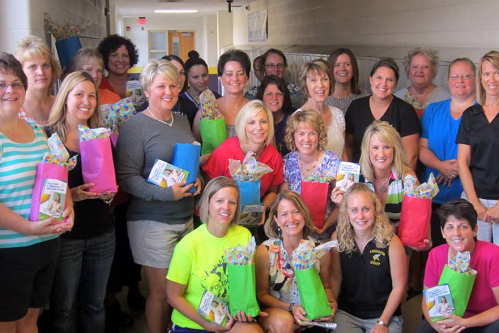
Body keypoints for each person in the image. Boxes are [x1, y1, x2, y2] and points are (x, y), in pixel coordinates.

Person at [116, 59, 202, 333]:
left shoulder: (182, 121)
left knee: (181, 290)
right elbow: (126, 180)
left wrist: (196, 180)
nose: (168, 91)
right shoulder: (134, 126)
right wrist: (167, 194)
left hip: (185, 217)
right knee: (161, 293)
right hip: (151, 221)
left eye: (173, 85)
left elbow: (185, 166)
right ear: (147, 90)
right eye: (161, 86)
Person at [0, 52, 73, 332]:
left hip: (45, 245)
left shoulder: (34, 128)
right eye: (2, 84)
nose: (10, 91)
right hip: (9, 251)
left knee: (31, 322)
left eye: (16, 83)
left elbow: (56, 172)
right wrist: (28, 228)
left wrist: (68, 208)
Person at [45, 71, 116, 332]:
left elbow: (112, 184)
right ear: (65, 97)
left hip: (102, 233)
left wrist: (110, 195)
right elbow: (41, 191)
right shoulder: (48, 138)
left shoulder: (101, 136)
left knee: (95, 305)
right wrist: (71, 196)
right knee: (64, 307)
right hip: (66, 237)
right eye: (79, 95)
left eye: (91, 96)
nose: (86, 101)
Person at [166, 176, 263, 333]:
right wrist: (207, 325)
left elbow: (246, 283)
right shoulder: (188, 245)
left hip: (231, 319)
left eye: (232, 202)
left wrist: (247, 309)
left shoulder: (244, 236)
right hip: (194, 324)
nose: (226, 207)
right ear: (208, 204)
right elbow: (173, 296)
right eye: (219, 201)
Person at [331, 183, 407, 333]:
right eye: (354, 210)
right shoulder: (337, 239)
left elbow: (399, 287)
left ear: (376, 210)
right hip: (348, 313)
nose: (360, 216)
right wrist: (330, 307)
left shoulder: (392, 242)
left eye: (366, 209)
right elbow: (335, 278)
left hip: (384, 314)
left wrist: (382, 322)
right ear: (346, 212)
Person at [255, 190, 335, 332]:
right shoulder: (265, 251)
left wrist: (331, 303)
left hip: (311, 313)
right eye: (284, 214)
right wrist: (292, 308)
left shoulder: (319, 251)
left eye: (296, 212)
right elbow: (261, 295)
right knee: (284, 321)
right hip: (278, 313)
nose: (291, 219)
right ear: (276, 220)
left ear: (304, 214)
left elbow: (326, 287)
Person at [415, 199, 499, 333]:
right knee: (424, 329)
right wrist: (437, 326)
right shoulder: (435, 255)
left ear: (475, 230)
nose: (456, 233)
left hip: (485, 321)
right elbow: (427, 300)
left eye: (463, 226)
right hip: (450, 320)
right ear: (442, 232)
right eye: (450, 227)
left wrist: (465, 323)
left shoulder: (493, 254)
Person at [420, 58, 476, 247]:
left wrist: (460, 167)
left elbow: (489, 153)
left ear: (475, 79)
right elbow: (421, 149)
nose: (460, 80)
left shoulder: (483, 112)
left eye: (466, 76)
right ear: (447, 79)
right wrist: (441, 166)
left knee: (467, 255)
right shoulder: (434, 110)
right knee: (436, 252)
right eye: (455, 76)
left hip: (469, 197)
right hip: (434, 196)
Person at [202, 100, 284, 221]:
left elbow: (273, 192)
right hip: (220, 219)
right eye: (251, 122)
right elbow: (208, 191)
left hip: (254, 220)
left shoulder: (274, 156)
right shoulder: (224, 152)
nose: (259, 128)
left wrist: (263, 206)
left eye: (263, 122)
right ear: (243, 125)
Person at [345, 58, 420, 170]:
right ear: (371, 79)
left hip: (392, 179)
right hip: (359, 176)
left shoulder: (405, 111)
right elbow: (348, 146)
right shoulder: (356, 107)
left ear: (395, 83)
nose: (383, 84)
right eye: (379, 78)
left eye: (389, 79)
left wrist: (400, 183)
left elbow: (411, 156)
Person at [457, 50, 499, 246]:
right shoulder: (470, 115)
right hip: (475, 198)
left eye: (497, 72)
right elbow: (463, 162)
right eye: (487, 73)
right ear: (480, 77)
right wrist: (475, 204)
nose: (492, 79)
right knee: (474, 262)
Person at [282, 109, 340, 237]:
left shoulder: (333, 162)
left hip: (325, 233)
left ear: (319, 136)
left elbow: (341, 206)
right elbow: (282, 202)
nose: (306, 139)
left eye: (312, 133)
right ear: (293, 136)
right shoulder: (287, 162)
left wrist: (324, 228)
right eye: (301, 133)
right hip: (293, 233)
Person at [193, 49, 251, 141]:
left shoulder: (256, 110)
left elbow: (269, 148)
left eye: (240, 73)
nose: (235, 78)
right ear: (220, 78)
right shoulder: (207, 110)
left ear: (247, 77)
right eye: (229, 74)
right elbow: (195, 145)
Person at [299, 60, 346, 158]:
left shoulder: (338, 114)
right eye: (313, 80)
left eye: (325, 79)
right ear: (305, 84)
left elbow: (344, 151)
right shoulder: (297, 117)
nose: (320, 85)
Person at [14, 35, 61, 125]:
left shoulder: (62, 106)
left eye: (45, 65)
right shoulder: (15, 112)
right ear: (20, 71)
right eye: (33, 67)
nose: (41, 72)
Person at [395, 48, 451, 117]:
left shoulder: (446, 99)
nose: (419, 71)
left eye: (425, 67)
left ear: (433, 71)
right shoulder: (397, 99)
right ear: (408, 71)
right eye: (415, 67)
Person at [255, 75, 294, 156]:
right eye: (269, 94)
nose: (274, 98)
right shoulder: (254, 120)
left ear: (284, 96)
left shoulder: (294, 117)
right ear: (261, 96)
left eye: (279, 94)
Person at [325, 48, 368, 114]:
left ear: (354, 68)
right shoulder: (323, 100)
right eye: (337, 65)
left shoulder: (365, 98)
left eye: (347, 64)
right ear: (330, 69)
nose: (342, 68)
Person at [97, 34, 139, 98]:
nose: (120, 60)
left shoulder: (140, 85)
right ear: (105, 58)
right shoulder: (98, 86)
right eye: (114, 55)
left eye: (125, 56)